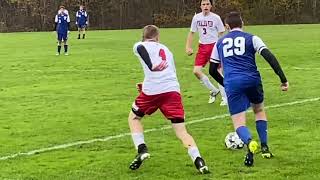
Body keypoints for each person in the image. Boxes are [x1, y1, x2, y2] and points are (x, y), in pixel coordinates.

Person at [209, 12, 289, 166]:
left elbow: (212, 69)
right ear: (242, 23)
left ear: (226, 26)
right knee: (259, 111)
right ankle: (264, 147)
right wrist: (283, 79)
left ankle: (250, 142)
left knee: (239, 123)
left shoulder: (219, 43)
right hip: (252, 79)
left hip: (233, 83)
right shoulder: (251, 38)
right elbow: (269, 56)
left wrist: (226, 83)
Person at [129, 25, 209, 174]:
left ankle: (141, 149)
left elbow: (141, 51)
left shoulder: (139, 45)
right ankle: (198, 160)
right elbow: (168, 73)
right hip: (172, 91)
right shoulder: (167, 50)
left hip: (152, 91)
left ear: (143, 36)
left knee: (134, 118)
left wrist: (151, 67)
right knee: (181, 131)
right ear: (158, 37)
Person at [185, 0, 227, 105]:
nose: (205, 6)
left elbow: (222, 33)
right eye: (203, 4)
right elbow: (191, 33)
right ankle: (213, 90)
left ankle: (225, 97)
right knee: (196, 71)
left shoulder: (216, 18)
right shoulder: (196, 17)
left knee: (218, 71)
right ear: (200, 6)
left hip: (214, 47)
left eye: (207, 4)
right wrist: (188, 47)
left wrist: (221, 47)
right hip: (202, 47)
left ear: (211, 6)